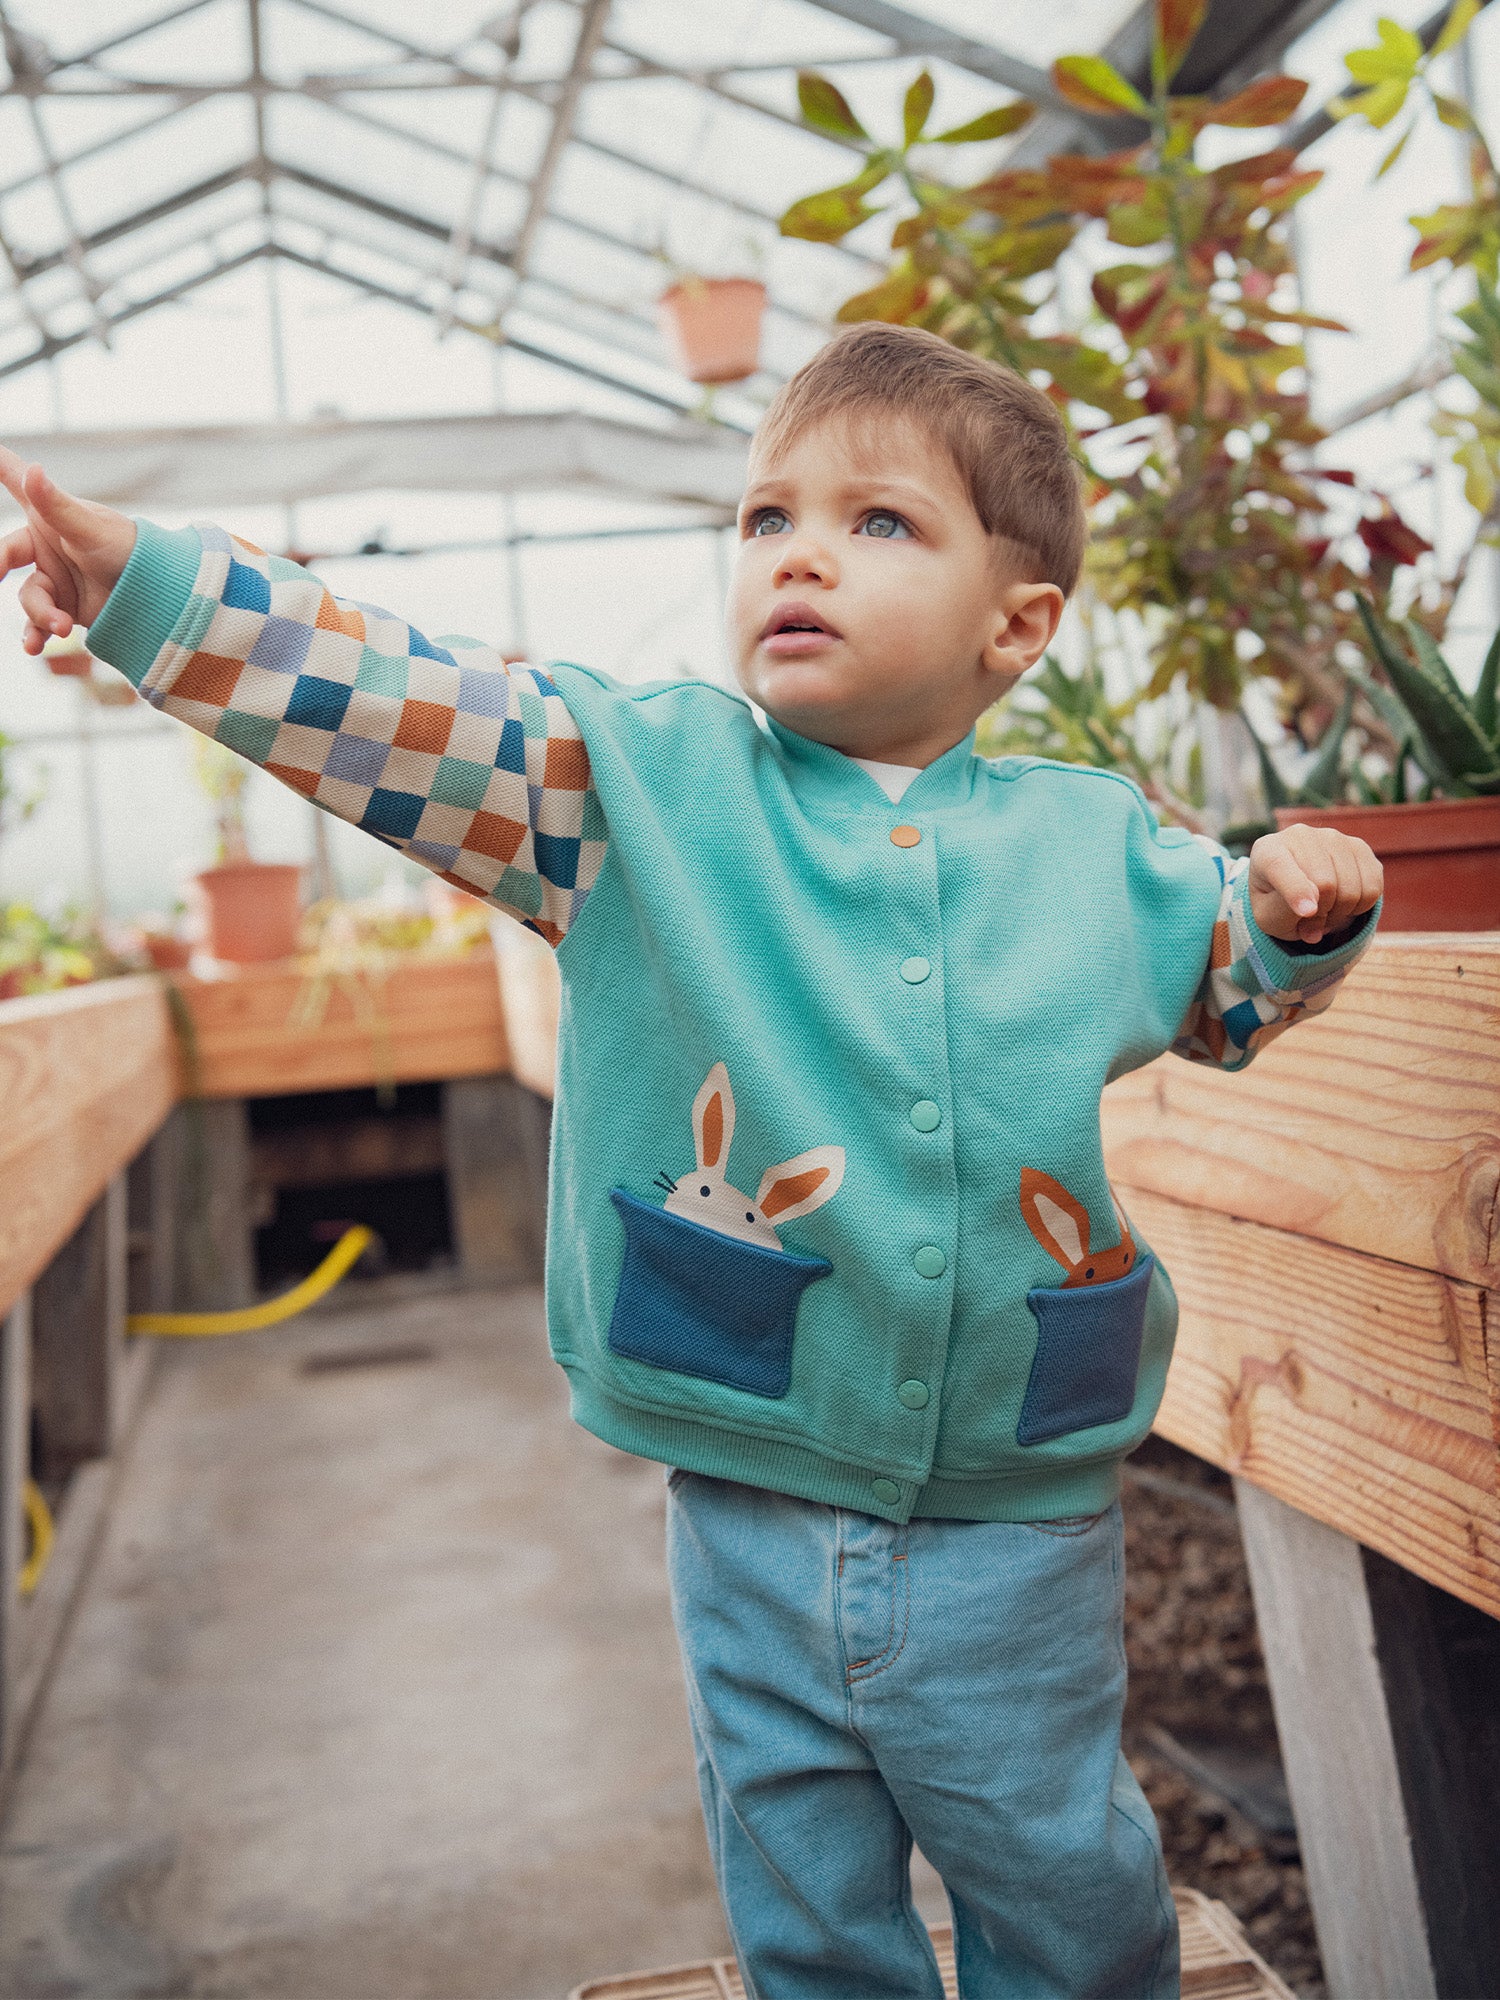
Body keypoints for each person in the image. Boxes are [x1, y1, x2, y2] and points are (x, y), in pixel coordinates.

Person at [0, 323, 1381, 1999]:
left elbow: (1222, 989)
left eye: (880, 523)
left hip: (1016, 1526)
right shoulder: (627, 794)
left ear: (1016, 625)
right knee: (801, 1892)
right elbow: (386, 702)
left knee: (1066, 1881)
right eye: (763, 515)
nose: (798, 550)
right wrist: (141, 579)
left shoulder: (1092, 846)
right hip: (748, 1502)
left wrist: (1306, 915)